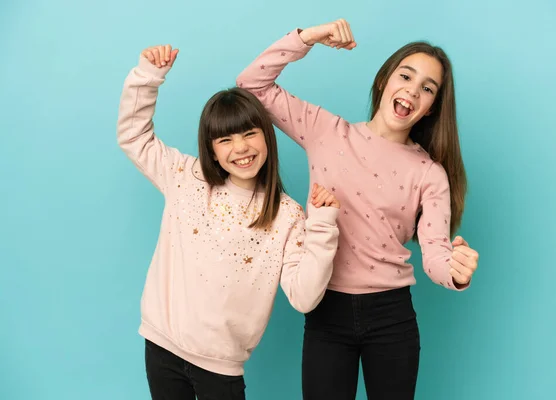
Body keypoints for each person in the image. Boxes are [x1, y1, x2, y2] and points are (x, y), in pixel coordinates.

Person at [237, 19, 480, 399]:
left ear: (431, 108)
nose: (412, 92)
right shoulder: (327, 131)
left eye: (427, 88)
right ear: (384, 80)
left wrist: (455, 270)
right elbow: (251, 84)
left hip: (392, 318)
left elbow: (435, 255)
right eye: (406, 76)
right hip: (325, 311)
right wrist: (308, 37)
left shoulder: (430, 174)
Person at [117, 44, 341, 400]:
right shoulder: (185, 177)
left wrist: (324, 225)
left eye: (250, 133)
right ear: (212, 148)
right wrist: (147, 78)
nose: (240, 148)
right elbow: (134, 137)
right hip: (162, 346)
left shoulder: (286, 215)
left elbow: (304, 297)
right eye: (225, 139)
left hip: (220, 366)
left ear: (267, 136)